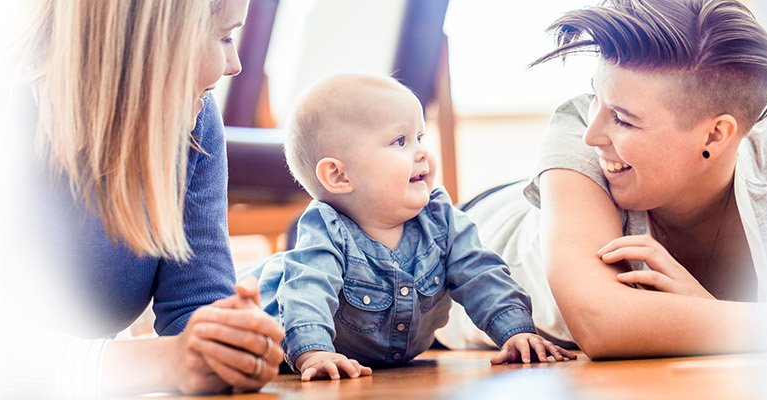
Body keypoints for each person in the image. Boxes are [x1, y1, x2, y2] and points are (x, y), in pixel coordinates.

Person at [435, 0, 767, 359]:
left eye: (624, 119)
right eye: (596, 98)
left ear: (715, 136)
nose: (592, 135)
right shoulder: (576, 128)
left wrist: (713, 311)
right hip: (448, 248)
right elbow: (601, 322)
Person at [16, 0, 285, 395]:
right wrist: (163, 361)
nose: (234, 64)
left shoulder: (194, 123)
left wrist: (230, 344)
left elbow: (195, 308)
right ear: (155, 37)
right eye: (224, 36)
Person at [243, 74, 575, 381]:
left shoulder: (439, 218)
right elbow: (308, 291)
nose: (422, 154)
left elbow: (480, 273)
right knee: (228, 311)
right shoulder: (327, 230)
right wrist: (314, 352)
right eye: (400, 141)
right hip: (264, 316)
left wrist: (516, 331)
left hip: (378, 354)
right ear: (339, 176)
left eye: (419, 137)